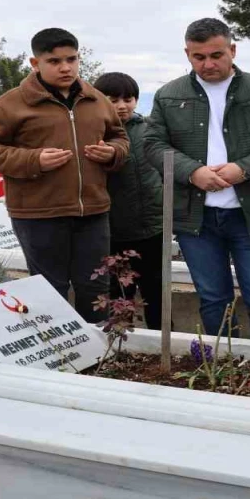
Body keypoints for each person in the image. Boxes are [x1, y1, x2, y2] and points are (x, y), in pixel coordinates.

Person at [143, 18, 250, 342]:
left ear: (232, 50)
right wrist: (193, 172)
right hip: (196, 217)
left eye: (216, 55)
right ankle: (224, 364)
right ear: (187, 54)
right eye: (198, 57)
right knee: (213, 298)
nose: (208, 64)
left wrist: (243, 169)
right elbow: (153, 144)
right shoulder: (169, 95)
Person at [0, 28, 129, 322]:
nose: (65, 67)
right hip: (38, 213)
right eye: (54, 61)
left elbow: (119, 137)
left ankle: (100, 345)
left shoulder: (96, 99)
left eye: (71, 59)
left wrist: (113, 152)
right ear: (35, 63)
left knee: (96, 286)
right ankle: (56, 345)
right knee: (49, 289)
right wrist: (33, 160)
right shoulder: (9, 105)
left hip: (93, 210)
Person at [93, 71, 164, 329]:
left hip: (153, 227)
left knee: (156, 289)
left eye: (129, 99)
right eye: (113, 100)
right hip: (113, 231)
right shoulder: (94, 133)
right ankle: (121, 340)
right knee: (119, 292)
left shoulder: (151, 129)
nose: (122, 106)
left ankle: (162, 337)